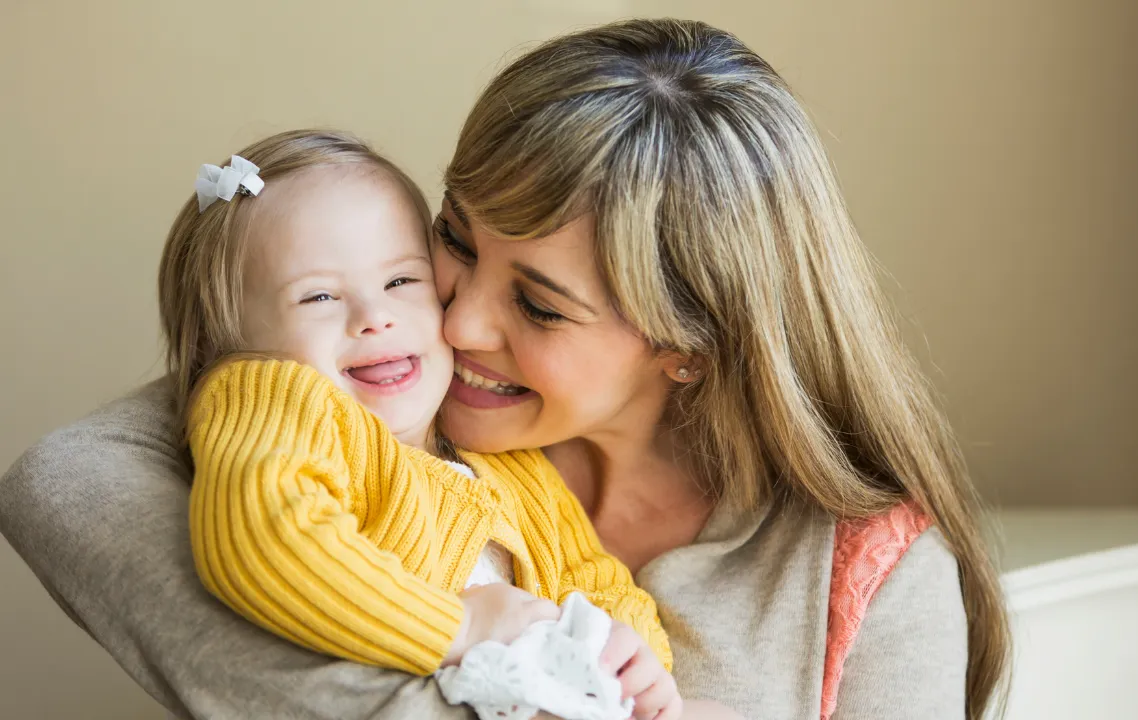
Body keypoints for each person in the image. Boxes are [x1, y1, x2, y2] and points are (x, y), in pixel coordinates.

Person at [0, 18, 1009, 720]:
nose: (456, 318)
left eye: (538, 304)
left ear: (690, 346)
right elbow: (60, 481)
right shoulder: (377, 391)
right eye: (452, 240)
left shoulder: (867, 574)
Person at [166, 129, 682, 719]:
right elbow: (265, 540)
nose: (375, 317)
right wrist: (458, 626)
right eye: (317, 298)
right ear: (229, 342)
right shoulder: (277, 399)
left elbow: (591, 575)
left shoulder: (507, 463)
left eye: (401, 282)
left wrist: (633, 656)